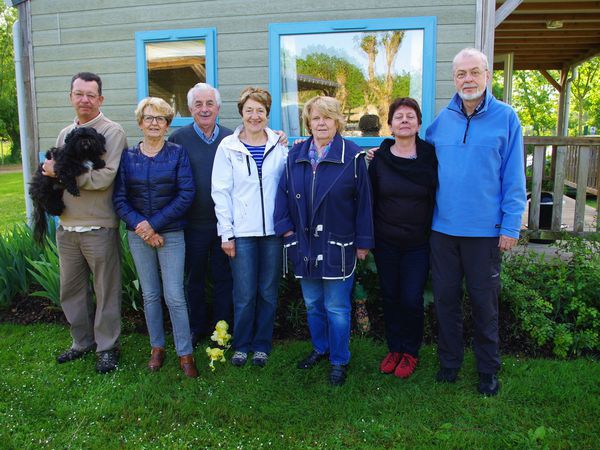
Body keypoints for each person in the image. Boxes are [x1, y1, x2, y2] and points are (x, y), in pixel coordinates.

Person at [425, 48, 526, 395]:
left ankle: (487, 370)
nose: (467, 79)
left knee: (485, 306)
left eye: (474, 72)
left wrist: (511, 225)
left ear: (487, 75)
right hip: (443, 232)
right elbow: (420, 162)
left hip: (485, 234)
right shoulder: (442, 120)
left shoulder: (506, 118)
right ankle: (450, 363)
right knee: (446, 302)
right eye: (461, 74)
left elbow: (514, 178)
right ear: (454, 79)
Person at [274, 96, 374, 386]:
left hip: (338, 243)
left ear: (337, 122)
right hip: (303, 244)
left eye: (327, 117)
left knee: (337, 307)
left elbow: (364, 203)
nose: (321, 123)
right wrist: (287, 232)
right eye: (316, 118)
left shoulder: (353, 157)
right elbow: (282, 196)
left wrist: (363, 242)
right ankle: (321, 347)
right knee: (313, 303)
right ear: (308, 122)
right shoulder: (295, 156)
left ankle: (339, 359)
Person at [42, 72, 127, 374]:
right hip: (67, 226)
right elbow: (52, 173)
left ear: (100, 99)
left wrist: (61, 174)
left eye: (91, 95)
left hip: (99, 226)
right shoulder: (65, 134)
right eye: (79, 94)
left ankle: (107, 347)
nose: (85, 100)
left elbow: (105, 178)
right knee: (71, 289)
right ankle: (81, 342)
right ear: (71, 97)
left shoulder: (112, 132)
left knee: (106, 290)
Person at [112, 97, 198, 377]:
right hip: (139, 235)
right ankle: (157, 348)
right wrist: (143, 228)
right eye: (149, 118)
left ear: (167, 124)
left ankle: (185, 353)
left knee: (174, 295)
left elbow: (186, 195)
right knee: (150, 295)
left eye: (160, 118)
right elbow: (120, 199)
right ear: (140, 122)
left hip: (171, 233)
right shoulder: (128, 157)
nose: (154, 123)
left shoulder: (177, 153)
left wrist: (155, 225)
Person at [211, 87, 288, 368]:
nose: (255, 116)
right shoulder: (228, 147)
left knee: (268, 291)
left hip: (272, 234)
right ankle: (242, 345)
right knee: (244, 294)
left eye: (260, 111)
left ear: (267, 114)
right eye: (249, 110)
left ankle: (262, 346)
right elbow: (220, 192)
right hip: (241, 234)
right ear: (241, 113)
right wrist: (226, 233)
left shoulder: (279, 145)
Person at [368, 98, 437, 379]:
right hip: (386, 243)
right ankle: (394, 349)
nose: (405, 121)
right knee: (390, 297)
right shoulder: (379, 159)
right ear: (391, 125)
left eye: (411, 116)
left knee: (411, 299)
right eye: (399, 117)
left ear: (419, 124)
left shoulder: (431, 157)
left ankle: (410, 352)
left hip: (418, 244)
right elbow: (369, 200)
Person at [168, 83, 234, 347]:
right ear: (190, 109)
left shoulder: (231, 138)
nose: (204, 109)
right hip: (191, 224)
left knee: (223, 279)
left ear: (218, 108)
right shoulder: (177, 139)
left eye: (209, 104)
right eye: (198, 104)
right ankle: (196, 328)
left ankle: (222, 331)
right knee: (193, 280)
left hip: (224, 226)